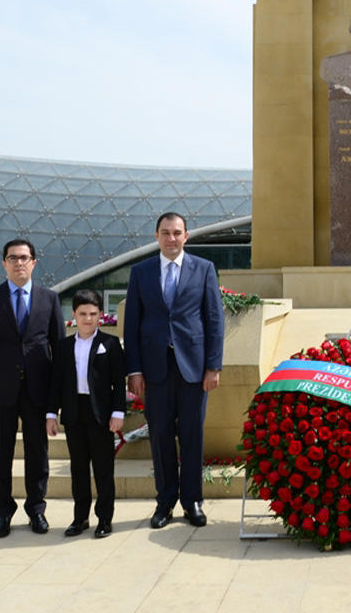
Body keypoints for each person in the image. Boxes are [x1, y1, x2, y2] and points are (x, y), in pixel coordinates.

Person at [124, 212, 224, 529]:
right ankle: (165, 502)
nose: (171, 238)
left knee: (193, 435)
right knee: (161, 436)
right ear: (156, 236)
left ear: (186, 236)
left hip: (194, 368)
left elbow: (214, 321)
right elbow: (132, 324)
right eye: (165, 233)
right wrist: (134, 370)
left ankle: (192, 501)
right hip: (155, 369)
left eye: (177, 232)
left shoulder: (204, 269)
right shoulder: (140, 272)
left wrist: (213, 366)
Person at [0, 238, 65, 537]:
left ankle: (37, 510)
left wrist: (56, 398)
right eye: (13, 258)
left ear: (34, 262)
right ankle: (3, 512)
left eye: (24, 257)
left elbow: (59, 349)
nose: (19, 262)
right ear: (4, 264)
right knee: (0, 454)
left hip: (38, 390)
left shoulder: (49, 299)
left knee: (38, 454)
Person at [46, 290, 125, 539]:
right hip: (73, 412)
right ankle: (80, 518)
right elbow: (55, 383)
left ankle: (105, 519)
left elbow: (118, 384)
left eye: (93, 314)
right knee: (79, 469)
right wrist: (51, 414)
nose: (88, 319)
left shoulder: (110, 345)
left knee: (103, 469)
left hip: (100, 414)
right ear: (74, 315)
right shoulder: (63, 346)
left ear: (100, 315)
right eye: (83, 314)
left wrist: (118, 413)